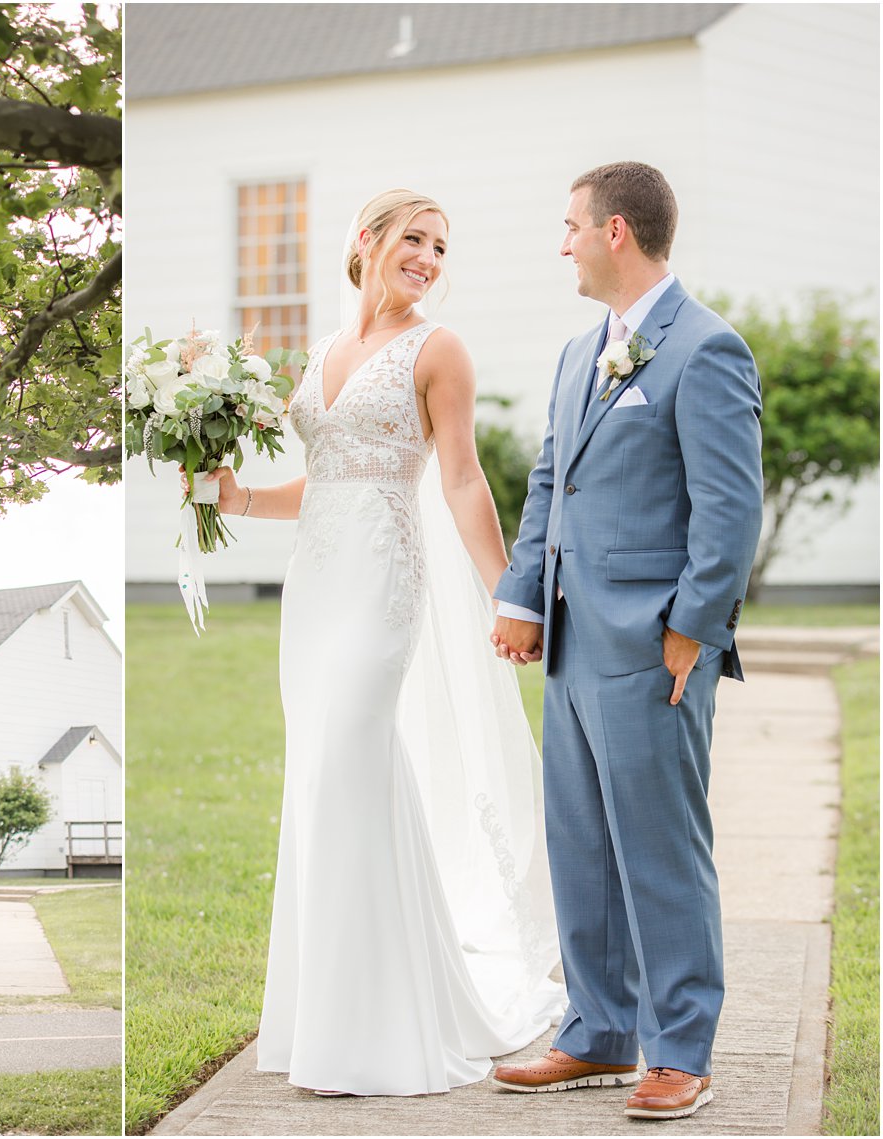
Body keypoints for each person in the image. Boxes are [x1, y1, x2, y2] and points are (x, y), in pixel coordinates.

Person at [200, 188, 563, 1097]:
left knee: (356, 760)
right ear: (366, 241)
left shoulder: (439, 349)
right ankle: (322, 1016)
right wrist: (234, 497)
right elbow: (323, 483)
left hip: (381, 589)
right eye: (416, 239)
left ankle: (384, 1025)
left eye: (442, 247)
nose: (431, 259)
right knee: (320, 779)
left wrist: (511, 594)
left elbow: (463, 480)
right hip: (314, 592)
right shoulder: (322, 352)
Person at [489, 161, 762, 1122]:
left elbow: (729, 515)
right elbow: (545, 487)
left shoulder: (709, 349)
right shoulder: (578, 355)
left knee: (660, 850)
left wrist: (690, 631)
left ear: (615, 232)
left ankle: (680, 1050)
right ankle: (597, 1032)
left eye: (569, 226)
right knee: (581, 845)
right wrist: (522, 597)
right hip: (568, 646)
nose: (559, 243)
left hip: (655, 650)